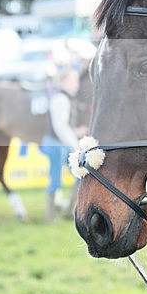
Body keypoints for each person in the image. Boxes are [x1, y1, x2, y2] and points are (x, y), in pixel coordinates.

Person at [42, 67, 83, 222]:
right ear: (65, 81)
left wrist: (77, 132)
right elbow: (60, 127)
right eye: (74, 80)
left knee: (79, 175)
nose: (77, 84)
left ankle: (70, 210)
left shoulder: (65, 98)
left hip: (61, 144)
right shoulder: (61, 98)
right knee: (56, 179)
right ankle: (50, 216)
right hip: (56, 144)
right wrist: (75, 145)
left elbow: (64, 126)